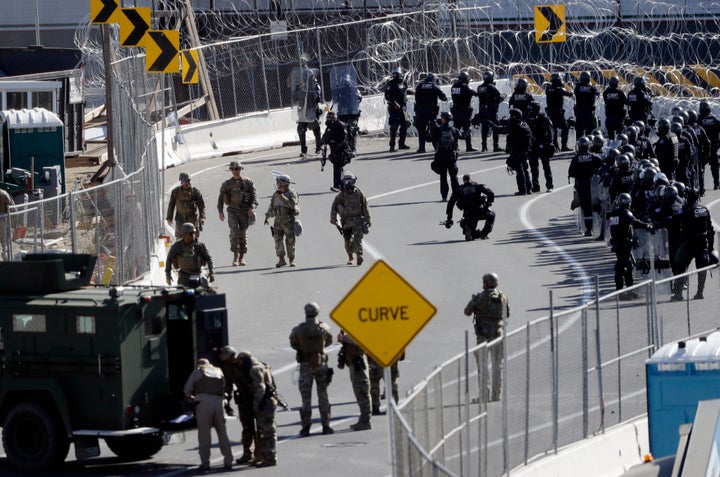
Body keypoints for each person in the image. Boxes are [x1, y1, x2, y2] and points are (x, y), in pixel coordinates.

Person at [289, 302, 334, 436]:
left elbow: (293, 343)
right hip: (320, 363)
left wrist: (303, 347)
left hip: (305, 364)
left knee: (306, 398)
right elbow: (330, 340)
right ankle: (326, 426)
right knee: (323, 395)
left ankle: (305, 427)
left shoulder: (299, 329)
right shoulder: (324, 327)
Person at [464, 273, 509, 402]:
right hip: (498, 335)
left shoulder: (480, 297)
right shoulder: (503, 297)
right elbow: (508, 313)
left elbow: (467, 311)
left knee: (483, 366)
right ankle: (496, 395)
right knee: (497, 365)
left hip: (483, 336)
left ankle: (484, 395)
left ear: (487, 283)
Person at [183, 358, 234, 471]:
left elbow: (187, 389)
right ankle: (228, 460)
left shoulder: (198, 371)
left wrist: (190, 397)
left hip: (204, 402)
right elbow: (224, 387)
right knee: (222, 432)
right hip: (219, 402)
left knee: (204, 434)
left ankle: (205, 462)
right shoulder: (218, 371)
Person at [608, 193, 653, 300]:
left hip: (618, 243)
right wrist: (646, 225)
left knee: (626, 267)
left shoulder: (614, 213)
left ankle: (627, 292)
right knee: (623, 267)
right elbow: (634, 221)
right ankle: (623, 293)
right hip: (624, 243)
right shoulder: (625, 213)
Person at [239, 351, 278, 467]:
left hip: (264, 403)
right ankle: (262, 456)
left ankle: (270, 458)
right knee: (263, 431)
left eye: (240, 361)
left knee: (268, 431)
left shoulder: (254, 369)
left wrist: (257, 407)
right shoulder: (262, 365)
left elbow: (260, 389)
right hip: (268, 401)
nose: (239, 364)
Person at [674, 188, 716, 300]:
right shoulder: (704, 209)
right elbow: (711, 230)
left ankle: (678, 294)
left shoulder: (686, 209)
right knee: (702, 268)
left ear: (688, 197)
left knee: (680, 265)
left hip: (689, 243)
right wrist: (710, 247)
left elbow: (675, 218)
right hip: (703, 243)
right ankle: (700, 292)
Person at [218, 346, 256, 466]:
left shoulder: (246, 362)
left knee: (260, 428)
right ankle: (248, 453)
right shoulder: (228, 367)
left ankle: (261, 453)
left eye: (226, 358)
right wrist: (227, 401)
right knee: (246, 427)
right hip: (244, 399)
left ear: (231, 356)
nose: (225, 361)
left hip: (255, 397)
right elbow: (228, 384)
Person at [217, 161, 257, 266]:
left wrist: (252, 208)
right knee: (234, 232)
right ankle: (235, 256)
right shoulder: (227, 184)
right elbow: (220, 199)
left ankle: (242, 257)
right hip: (232, 211)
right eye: (233, 169)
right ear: (231, 170)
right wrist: (220, 211)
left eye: (237, 169)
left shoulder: (248, 182)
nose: (235, 171)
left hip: (244, 211)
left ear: (240, 169)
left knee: (242, 234)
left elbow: (254, 197)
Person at [330, 172, 371, 266]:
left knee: (358, 239)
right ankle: (351, 257)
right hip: (346, 222)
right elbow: (334, 206)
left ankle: (359, 256)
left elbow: (365, 206)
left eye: (351, 181)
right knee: (347, 240)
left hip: (358, 221)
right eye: (347, 181)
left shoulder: (359, 193)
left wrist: (368, 219)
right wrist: (333, 219)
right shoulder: (341, 195)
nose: (349, 184)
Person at [337, 329, 372, 430]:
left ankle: (366, 421)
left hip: (359, 365)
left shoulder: (361, 327)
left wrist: (344, 338)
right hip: (354, 364)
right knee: (359, 393)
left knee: (362, 392)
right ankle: (363, 420)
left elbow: (359, 339)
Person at [568, 136, 603, 236]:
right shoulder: (594, 157)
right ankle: (599, 227)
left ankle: (589, 229)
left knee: (585, 207)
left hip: (582, 185)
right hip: (594, 185)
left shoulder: (576, 158)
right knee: (597, 205)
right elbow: (602, 168)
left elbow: (571, 172)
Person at [445, 173, 495, 241]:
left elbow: (451, 203)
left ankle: (469, 229)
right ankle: (483, 233)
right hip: (480, 211)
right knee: (492, 215)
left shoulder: (459, 189)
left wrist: (449, 218)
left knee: (467, 224)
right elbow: (491, 193)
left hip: (468, 214)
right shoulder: (478, 186)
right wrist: (488, 204)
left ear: (463, 180)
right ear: (470, 179)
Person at [264, 174, 300, 267]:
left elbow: (292, 205)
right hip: (278, 221)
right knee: (277, 240)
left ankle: (292, 259)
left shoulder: (291, 193)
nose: (277, 184)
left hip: (288, 220)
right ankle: (281, 259)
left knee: (290, 240)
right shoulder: (276, 194)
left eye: (278, 182)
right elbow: (272, 206)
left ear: (283, 183)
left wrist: (282, 197)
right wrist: (267, 216)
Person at [165, 223, 215, 288]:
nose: (193, 235)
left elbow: (208, 258)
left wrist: (211, 273)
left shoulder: (200, 246)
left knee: (207, 290)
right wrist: (168, 276)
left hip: (198, 273)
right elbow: (169, 260)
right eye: (191, 233)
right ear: (185, 234)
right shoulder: (177, 246)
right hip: (184, 275)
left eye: (194, 232)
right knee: (180, 292)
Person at [430, 111, 461, 201]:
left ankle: (444, 196)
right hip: (452, 157)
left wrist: (432, 128)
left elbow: (429, 138)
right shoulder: (454, 129)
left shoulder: (439, 129)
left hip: (441, 157)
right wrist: (468, 129)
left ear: (443, 119)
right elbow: (463, 136)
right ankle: (456, 195)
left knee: (443, 177)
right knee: (454, 177)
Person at [166, 172, 206, 239]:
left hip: (192, 218)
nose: (187, 183)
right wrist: (169, 218)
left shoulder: (195, 191)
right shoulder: (175, 192)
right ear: (181, 181)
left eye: (188, 180)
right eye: (185, 181)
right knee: (179, 238)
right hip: (180, 218)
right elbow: (171, 205)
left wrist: (202, 216)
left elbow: (201, 205)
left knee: (193, 238)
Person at [414, 73, 447, 153]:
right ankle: (436, 147)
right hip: (430, 111)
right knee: (434, 128)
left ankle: (421, 148)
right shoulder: (433, 86)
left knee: (421, 129)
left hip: (420, 111)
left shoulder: (419, 85)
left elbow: (416, 97)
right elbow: (443, 97)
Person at [526, 101, 555, 192]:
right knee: (533, 167)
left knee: (546, 166)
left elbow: (550, 130)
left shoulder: (543, 117)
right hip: (533, 145)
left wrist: (550, 142)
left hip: (543, 144)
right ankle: (535, 186)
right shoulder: (528, 117)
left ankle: (549, 185)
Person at [292, 71, 323, 158]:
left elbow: (317, 98)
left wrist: (312, 93)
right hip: (302, 111)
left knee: (316, 129)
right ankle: (303, 150)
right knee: (301, 130)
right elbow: (294, 97)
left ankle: (318, 147)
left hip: (312, 110)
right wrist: (299, 91)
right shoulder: (300, 86)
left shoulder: (315, 86)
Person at [505, 108, 534, 195]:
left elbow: (504, 130)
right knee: (525, 169)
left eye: (512, 116)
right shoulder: (524, 124)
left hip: (518, 151)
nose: (510, 117)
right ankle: (528, 188)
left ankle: (523, 190)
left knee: (520, 171)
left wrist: (491, 124)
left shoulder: (516, 127)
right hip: (525, 151)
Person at [475, 71, 505, 152]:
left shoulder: (479, 87)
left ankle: (484, 146)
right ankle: (496, 146)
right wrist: (501, 99)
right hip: (491, 110)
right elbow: (498, 96)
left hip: (482, 110)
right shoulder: (491, 87)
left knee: (484, 128)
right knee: (495, 127)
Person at [384, 66, 413, 152]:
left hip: (403, 107)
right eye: (395, 74)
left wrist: (413, 93)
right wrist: (394, 103)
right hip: (394, 108)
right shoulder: (390, 84)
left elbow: (405, 91)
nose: (397, 76)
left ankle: (401, 144)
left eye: (398, 74)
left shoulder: (403, 82)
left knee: (404, 125)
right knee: (394, 126)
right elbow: (387, 96)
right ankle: (392, 146)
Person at [322, 111, 351, 192]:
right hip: (335, 151)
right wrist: (324, 141)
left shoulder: (340, 126)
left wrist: (333, 141)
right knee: (338, 167)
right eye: (328, 119)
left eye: (330, 119)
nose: (329, 121)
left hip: (343, 151)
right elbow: (324, 137)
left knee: (337, 166)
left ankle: (337, 185)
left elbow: (343, 139)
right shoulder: (329, 127)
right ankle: (344, 183)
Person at [544, 72, 573, 151]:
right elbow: (569, 94)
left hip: (550, 112)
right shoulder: (559, 89)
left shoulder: (548, 89)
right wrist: (569, 88)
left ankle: (555, 146)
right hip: (558, 112)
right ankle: (564, 146)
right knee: (565, 127)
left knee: (554, 129)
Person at [334, 73, 362, 155]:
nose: (345, 85)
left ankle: (353, 149)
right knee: (343, 132)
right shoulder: (339, 90)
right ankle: (346, 148)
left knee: (352, 131)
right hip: (342, 113)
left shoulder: (354, 89)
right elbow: (335, 100)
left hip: (352, 113)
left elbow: (359, 98)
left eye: (347, 83)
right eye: (344, 83)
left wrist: (352, 97)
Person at [450, 71, 478, 152]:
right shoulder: (466, 87)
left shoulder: (454, 87)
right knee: (467, 129)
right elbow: (474, 93)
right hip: (464, 111)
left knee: (456, 129)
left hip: (456, 111)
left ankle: (455, 146)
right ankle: (468, 147)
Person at [698, 100, 720, 192]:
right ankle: (716, 184)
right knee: (715, 167)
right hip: (714, 146)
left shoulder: (698, 119)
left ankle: (701, 186)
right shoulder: (715, 119)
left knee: (701, 167)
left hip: (703, 147)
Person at [573, 71, 600, 138]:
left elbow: (575, 93)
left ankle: (579, 144)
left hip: (579, 113)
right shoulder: (592, 88)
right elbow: (598, 93)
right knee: (589, 131)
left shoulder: (577, 87)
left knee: (579, 131)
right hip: (589, 113)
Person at [602, 75, 628, 140]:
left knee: (611, 137)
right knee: (620, 137)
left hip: (609, 118)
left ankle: (611, 148)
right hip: (618, 118)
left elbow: (606, 100)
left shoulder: (606, 92)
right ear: (617, 83)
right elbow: (627, 102)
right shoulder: (620, 92)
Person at [0, 188, 14, 261]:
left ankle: (5, 253)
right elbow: (11, 204)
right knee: (5, 236)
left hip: (3, 217)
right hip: (4, 218)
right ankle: (5, 253)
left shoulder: (3, 193)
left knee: (4, 236)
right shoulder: (4, 193)